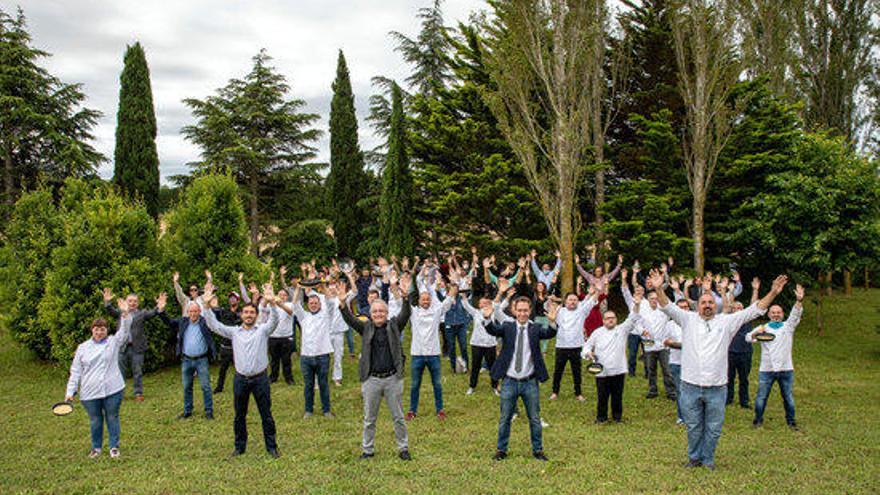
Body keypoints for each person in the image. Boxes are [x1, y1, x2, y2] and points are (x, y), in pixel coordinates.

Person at [648, 269, 788, 470]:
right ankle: (694, 458)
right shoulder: (687, 319)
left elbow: (755, 310)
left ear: (717, 305)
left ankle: (708, 460)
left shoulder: (727, 321)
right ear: (697, 306)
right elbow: (666, 306)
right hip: (690, 384)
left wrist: (773, 292)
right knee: (694, 427)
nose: (707, 306)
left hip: (717, 386)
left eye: (711, 303)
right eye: (704, 303)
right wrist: (659, 288)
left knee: (713, 428)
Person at [338, 272, 414, 461]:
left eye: (382, 311)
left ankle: (403, 448)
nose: (378, 314)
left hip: (392, 379)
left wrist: (405, 296)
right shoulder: (366, 328)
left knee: (398, 417)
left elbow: (406, 313)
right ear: (370, 315)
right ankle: (368, 450)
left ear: (387, 314)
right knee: (369, 419)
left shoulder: (395, 325)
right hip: (371, 379)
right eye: (375, 312)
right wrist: (342, 304)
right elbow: (350, 320)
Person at [202, 282, 281, 458]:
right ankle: (239, 447)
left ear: (256, 315)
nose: (248, 315)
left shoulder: (262, 331)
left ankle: (272, 447)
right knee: (239, 416)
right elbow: (215, 326)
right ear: (241, 315)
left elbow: (275, 321)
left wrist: (272, 302)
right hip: (240, 379)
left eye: (252, 312)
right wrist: (206, 306)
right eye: (246, 312)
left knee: (266, 414)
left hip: (260, 379)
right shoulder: (235, 332)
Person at [65, 296, 146, 458]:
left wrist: (125, 314)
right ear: (92, 330)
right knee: (95, 420)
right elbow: (75, 371)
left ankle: (114, 447)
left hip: (113, 388)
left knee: (112, 417)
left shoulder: (113, 342)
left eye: (102, 329)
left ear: (107, 330)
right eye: (97, 329)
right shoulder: (82, 348)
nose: (99, 331)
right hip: (90, 391)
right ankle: (96, 448)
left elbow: (124, 331)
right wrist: (70, 391)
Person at [487, 295, 558, 461]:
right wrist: (487, 318)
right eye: (519, 310)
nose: (522, 313)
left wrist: (553, 322)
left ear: (530, 311)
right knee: (505, 418)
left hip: (529, 382)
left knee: (534, 418)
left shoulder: (536, 328)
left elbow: (549, 333)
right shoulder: (507, 327)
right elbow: (492, 330)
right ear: (514, 311)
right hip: (509, 381)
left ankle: (538, 450)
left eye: (525, 310)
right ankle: (501, 450)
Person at [747, 284, 804, 430]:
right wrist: (755, 334)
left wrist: (799, 300)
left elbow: (795, 315)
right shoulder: (763, 328)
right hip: (766, 369)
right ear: (768, 314)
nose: (776, 314)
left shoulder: (788, 327)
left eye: (778, 312)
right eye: (773, 312)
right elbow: (748, 337)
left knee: (788, 398)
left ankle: (791, 422)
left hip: (786, 368)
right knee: (761, 398)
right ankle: (757, 420)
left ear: (783, 314)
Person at [582, 293, 643, 423]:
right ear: (603, 320)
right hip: (602, 371)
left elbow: (633, 318)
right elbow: (586, 347)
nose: (610, 320)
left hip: (618, 369)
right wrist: (589, 354)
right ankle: (601, 418)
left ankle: (617, 418)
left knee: (617, 396)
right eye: (608, 318)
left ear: (616, 319)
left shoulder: (622, 330)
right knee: (602, 396)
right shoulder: (597, 333)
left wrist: (637, 304)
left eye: (613, 318)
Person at [406, 267, 457, 421]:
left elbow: (448, 300)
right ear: (419, 301)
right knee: (415, 385)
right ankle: (412, 411)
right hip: (417, 355)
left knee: (437, 384)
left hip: (434, 354)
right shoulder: (413, 313)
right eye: (423, 299)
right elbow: (403, 299)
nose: (426, 301)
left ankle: (440, 410)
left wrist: (453, 283)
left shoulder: (436, 312)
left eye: (428, 299)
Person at [159, 300, 216, 420]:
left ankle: (209, 411)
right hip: (186, 360)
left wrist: (211, 305)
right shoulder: (183, 322)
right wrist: (161, 310)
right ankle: (187, 410)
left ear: (200, 312)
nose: (193, 313)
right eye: (191, 311)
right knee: (187, 386)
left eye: (196, 311)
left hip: (202, 359)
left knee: (205, 386)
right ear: (187, 312)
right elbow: (168, 322)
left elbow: (217, 318)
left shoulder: (205, 322)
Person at [101, 288, 161, 402]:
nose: (132, 303)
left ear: (137, 303)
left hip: (137, 348)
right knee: (119, 372)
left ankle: (138, 393)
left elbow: (153, 313)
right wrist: (107, 302)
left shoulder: (141, 313)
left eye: (134, 301)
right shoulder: (120, 312)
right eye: (130, 301)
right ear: (126, 302)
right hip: (122, 348)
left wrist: (159, 306)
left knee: (137, 371)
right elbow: (110, 310)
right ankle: (119, 393)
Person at [289, 280, 338, 418]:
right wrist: (298, 289)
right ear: (308, 304)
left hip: (322, 356)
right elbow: (295, 305)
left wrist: (322, 286)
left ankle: (326, 410)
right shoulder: (304, 317)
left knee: (323, 384)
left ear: (319, 304)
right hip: (306, 357)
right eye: (311, 303)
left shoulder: (325, 315)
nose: (313, 304)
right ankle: (308, 410)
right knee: (308, 386)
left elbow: (330, 301)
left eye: (316, 303)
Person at [623, 285, 675, 400]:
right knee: (651, 369)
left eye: (656, 298)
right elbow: (636, 322)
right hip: (649, 344)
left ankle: (671, 392)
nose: (654, 300)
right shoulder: (643, 310)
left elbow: (672, 306)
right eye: (652, 298)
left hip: (663, 344)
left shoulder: (664, 310)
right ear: (648, 300)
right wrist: (642, 331)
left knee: (666, 370)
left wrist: (661, 290)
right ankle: (653, 390)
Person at [549, 287, 598, 402]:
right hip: (561, 346)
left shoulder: (581, 311)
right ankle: (555, 392)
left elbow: (591, 302)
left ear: (578, 302)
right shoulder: (560, 311)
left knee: (577, 371)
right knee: (558, 371)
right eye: (570, 300)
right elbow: (553, 323)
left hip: (576, 346)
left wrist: (596, 291)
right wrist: (551, 319)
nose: (572, 302)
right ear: (565, 302)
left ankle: (578, 393)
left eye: (575, 300)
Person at [460, 294, 500, 395]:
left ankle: (495, 386)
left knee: (492, 367)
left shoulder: (493, 313)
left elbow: (499, 304)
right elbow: (466, 306)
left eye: (485, 303)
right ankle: (472, 386)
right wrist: (464, 297)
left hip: (490, 344)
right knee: (475, 366)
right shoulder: (476, 313)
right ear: (478, 304)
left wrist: (501, 295)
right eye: (481, 303)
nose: (483, 305)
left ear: (489, 304)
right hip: (476, 344)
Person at [662, 299, 690, 424]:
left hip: (693, 363)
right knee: (680, 390)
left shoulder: (694, 322)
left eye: (686, 307)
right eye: (681, 307)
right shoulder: (670, 325)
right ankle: (682, 417)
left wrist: (676, 344)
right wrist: (680, 345)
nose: (684, 309)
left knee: (693, 391)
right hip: (676, 362)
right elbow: (666, 342)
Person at [212, 292, 243, 394]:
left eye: (234, 298)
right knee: (222, 369)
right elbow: (220, 321)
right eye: (230, 298)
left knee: (240, 369)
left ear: (238, 300)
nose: (232, 300)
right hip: (225, 347)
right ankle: (219, 387)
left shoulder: (242, 312)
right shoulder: (224, 311)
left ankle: (243, 387)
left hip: (237, 347)